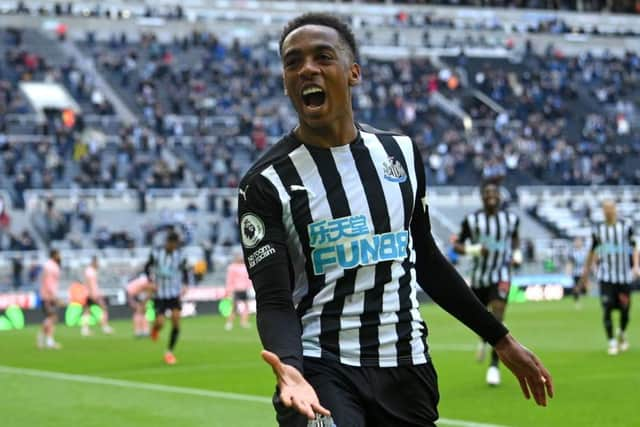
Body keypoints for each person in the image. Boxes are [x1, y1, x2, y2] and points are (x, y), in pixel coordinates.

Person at [237, 13, 553, 427]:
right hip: (320, 367)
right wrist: (291, 369)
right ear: (285, 81)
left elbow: (428, 262)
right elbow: (275, 298)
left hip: (406, 365)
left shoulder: (400, 154)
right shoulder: (265, 182)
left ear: (353, 73)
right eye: (293, 62)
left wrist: (501, 338)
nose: (306, 69)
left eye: (322, 57)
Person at [454, 182, 521, 386]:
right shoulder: (472, 221)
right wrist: (474, 250)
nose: (491, 196)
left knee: (498, 318)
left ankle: (494, 366)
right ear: (482, 197)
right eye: (487, 193)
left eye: (494, 193)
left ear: (500, 197)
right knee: (482, 320)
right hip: (479, 277)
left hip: (501, 274)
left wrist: (516, 254)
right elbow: (457, 246)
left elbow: (515, 239)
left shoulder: (510, 219)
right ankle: (484, 338)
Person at [579, 200, 639, 355]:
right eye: (605, 209)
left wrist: (636, 266)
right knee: (607, 308)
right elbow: (592, 251)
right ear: (602, 211)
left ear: (615, 209)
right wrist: (586, 273)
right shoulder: (598, 229)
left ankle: (622, 333)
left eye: (610, 208)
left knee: (625, 312)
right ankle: (612, 342)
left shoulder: (626, 227)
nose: (608, 211)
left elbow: (634, 248)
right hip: (606, 277)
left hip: (624, 277)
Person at [145, 231, 191, 365]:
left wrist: (185, 285)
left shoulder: (180, 255)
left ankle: (169, 352)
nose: (172, 246)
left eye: (175, 244)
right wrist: (150, 281)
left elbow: (185, 271)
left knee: (176, 321)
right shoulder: (156, 254)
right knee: (160, 323)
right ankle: (155, 329)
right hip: (159, 294)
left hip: (174, 293)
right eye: (171, 243)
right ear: (167, 242)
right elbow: (147, 267)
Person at [80, 256, 114, 336]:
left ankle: (85, 329)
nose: (98, 264)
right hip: (92, 294)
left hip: (87, 293)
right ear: (94, 262)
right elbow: (91, 285)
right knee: (104, 308)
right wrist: (95, 295)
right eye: (97, 263)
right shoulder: (91, 272)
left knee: (86, 312)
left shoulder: (89, 271)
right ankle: (104, 327)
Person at [38, 249, 63, 350]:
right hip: (49, 296)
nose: (60, 256)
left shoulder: (48, 265)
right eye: (59, 254)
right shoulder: (51, 266)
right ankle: (48, 341)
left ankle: (43, 338)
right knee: (52, 317)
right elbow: (49, 282)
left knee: (52, 317)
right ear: (55, 255)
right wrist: (54, 296)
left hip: (46, 294)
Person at [224, 250, 252, 330]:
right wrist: (229, 290)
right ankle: (229, 323)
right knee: (234, 307)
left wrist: (249, 287)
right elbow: (229, 279)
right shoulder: (232, 267)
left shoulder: (245, 266)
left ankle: (244, 322)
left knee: (246, 306)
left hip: (244, 289)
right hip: (236, 289)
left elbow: (248, 279)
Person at [126, 273, 156, 337]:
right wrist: (142, 304)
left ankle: (143, 331)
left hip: (134, 294)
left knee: (142, 312)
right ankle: (139, 331)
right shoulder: (145, 283)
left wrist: (144, 303)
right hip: (132, 295)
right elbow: (147, 294)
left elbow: (148, 294)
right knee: (138, 312)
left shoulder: (146, 282)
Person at [566, 237, 589, 308]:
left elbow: (588, 261)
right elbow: (570, 262)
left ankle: (583, 298)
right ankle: (577, 301)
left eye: (579, 241)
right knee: (576, 287)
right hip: (576, 273)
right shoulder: (572, 252)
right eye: (576, 241)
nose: (578, 243)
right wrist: (568, 271)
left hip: (584, 273)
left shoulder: (585, 251)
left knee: (585, 288)